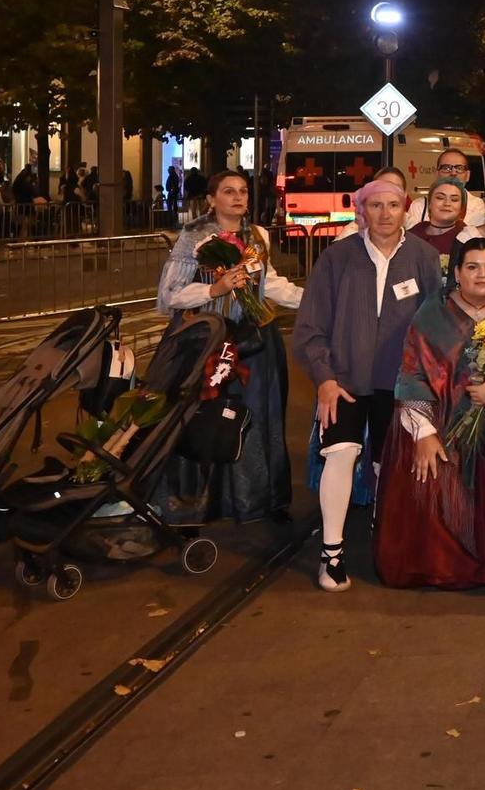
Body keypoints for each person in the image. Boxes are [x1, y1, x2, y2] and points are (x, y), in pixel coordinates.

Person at [292, 178, 442, 590]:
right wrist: (324, 378)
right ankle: (332, 554)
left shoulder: (424, 258)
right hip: (344, 379)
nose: (385, 214)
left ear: (406, 210)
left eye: (393, 205)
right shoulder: (337, 258)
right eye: (375, 205)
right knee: (340, 453)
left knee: (388, 462)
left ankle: (385, 535)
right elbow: (310, 327)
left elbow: (435, 324)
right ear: (362, 211)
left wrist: (425, 382)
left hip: (400, 383)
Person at [153, 168, 303, 526]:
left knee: (258, 416)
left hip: (255, 341)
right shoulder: (193, 235)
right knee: (201, 416)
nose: (238, 197)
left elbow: (269, 284)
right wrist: (214, 290)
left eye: (243, 191)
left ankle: (260, 499)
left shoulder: (258, 235)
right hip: (206, 340)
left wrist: (313, 300)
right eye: (228, 191)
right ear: (211, 199)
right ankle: (197, 502)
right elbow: (169, 295)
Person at [377, 238, 485, 590]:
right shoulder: (433, 312)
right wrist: (424, 433)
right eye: (472, 267)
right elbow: (411, 372)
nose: (482, 275)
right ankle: (442, 564)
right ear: (457, 273)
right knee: (434, 479)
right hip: (439, 422)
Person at [406, 148, 485, 230]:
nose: (453, 173)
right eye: (446, 168)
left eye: (459, 168)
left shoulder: (479, 208)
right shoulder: (419, 206)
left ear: (468, 175)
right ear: (437, 174)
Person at [409, 178, 469, 268]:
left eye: (454, 199)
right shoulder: (412, 235)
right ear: (429, 203)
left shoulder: (467, 238)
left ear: (461, 207)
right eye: (440, 198)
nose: (447, 203)